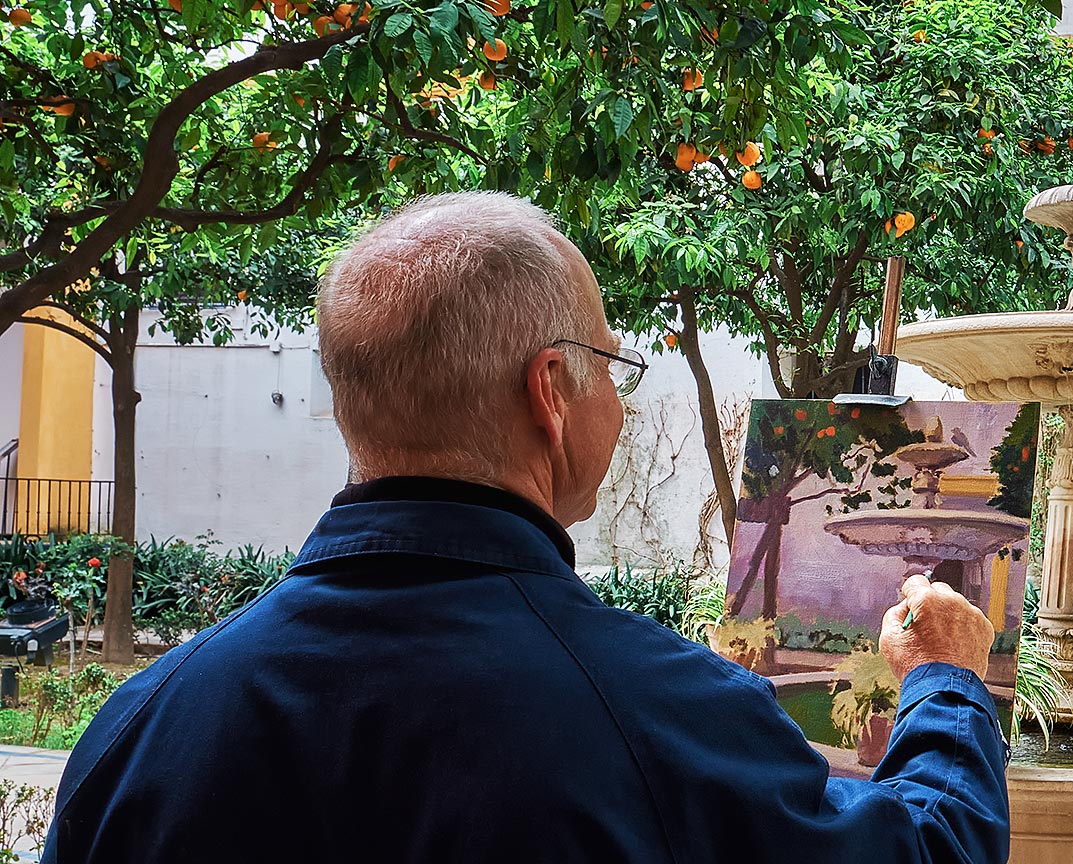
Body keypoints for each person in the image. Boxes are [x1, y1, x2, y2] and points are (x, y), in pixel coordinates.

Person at [45, 192, 1011, 863]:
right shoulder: (667, 724)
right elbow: (927, 849)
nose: (622, 405)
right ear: (550, 392)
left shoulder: (140, 731)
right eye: (609, 365)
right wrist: (949, 685)